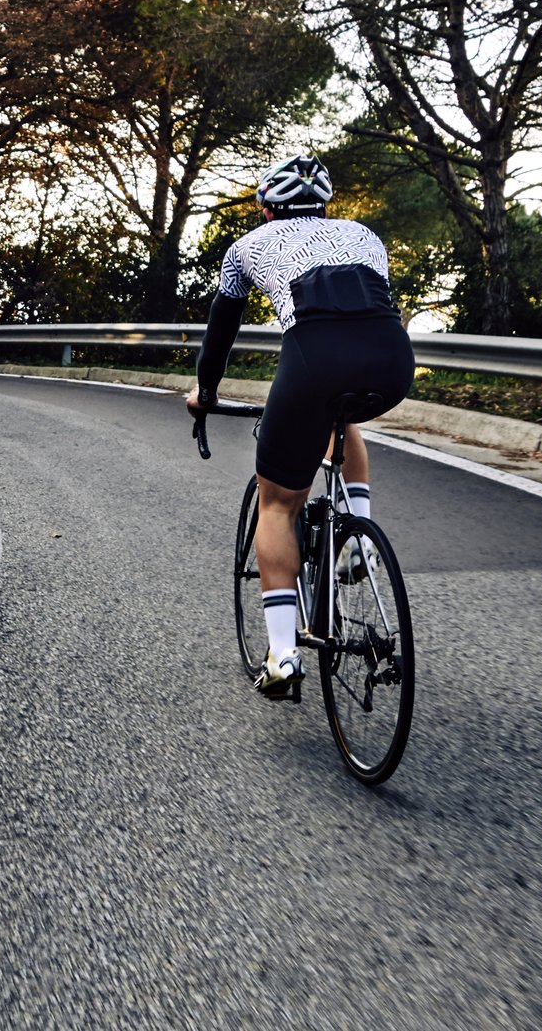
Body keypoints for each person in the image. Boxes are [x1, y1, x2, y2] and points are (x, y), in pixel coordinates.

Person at [185, 155, 415, 699]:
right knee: (344, 415)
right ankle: (358, 535)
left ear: (267, 208)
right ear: (324, 205)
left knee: (279, 504)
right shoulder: (365, 235)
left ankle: (283, 654)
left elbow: (221, 332)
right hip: (391, 362)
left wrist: (206, 393)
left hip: (313, 359)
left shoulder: (245, 248)